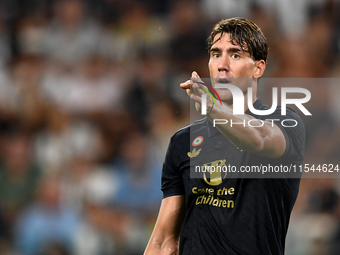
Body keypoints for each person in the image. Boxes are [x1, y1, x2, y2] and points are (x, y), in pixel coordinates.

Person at [144, 17, 305, 255]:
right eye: (216, 54)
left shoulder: (285, 122)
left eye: (236, 55)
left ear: (258, 68)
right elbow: (165, 240)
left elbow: (258, 139)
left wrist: (213, 109)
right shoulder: (183, 141)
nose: (222, 64)